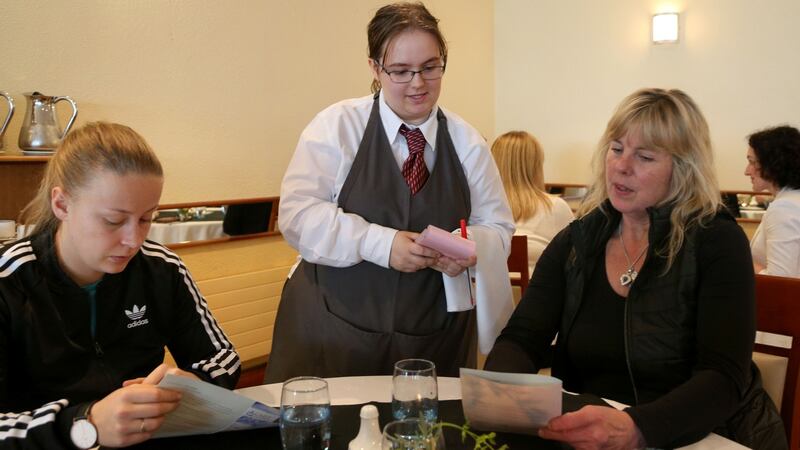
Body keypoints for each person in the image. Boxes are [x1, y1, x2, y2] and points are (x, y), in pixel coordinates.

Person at [484, 88, 786, 449]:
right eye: (616, 149)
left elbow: (722, 377)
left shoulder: (716, 241)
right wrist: (499, 399)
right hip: (590, 436)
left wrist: (635, 428)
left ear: (684, 169)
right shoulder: (579, 240)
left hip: (703, 435)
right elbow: (522, 337)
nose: (621, 166)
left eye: (644, 156)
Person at [265, 2, 514, 382]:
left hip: (432, 336)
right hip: (332, 327)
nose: (418, 84)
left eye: (430, 67)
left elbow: (497, 227)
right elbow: (297, 216)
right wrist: (381, 244)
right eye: (400, 71)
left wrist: (465, 248)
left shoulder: (468, 143)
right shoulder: (337, 127)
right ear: (374, 68)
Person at [0, 122, 240, 449]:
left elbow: (222, 357)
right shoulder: (9, 281)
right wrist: (87, 422)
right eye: (113, 221)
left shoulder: (161, 268)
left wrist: (194, 384)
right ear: (62, 205)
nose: (133, 240)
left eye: (145, 219)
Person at [491, 131, 574, 275]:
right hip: (541, 294)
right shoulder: (555, 207)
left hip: (491, 294)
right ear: (535, 165)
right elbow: (576, 261)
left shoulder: (481, 209)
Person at [744, 125, 800, 278]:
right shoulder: (793, 200)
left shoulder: (784, 208)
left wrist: (742, 259)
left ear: (772, 164)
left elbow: (780, 281)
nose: (747, 171)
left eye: (752, 162)